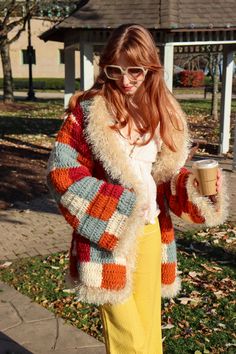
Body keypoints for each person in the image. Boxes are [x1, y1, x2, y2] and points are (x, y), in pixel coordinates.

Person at [47, 24, 228, 354]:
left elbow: (165, 179)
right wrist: (121, 207)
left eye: (135, 71)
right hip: (107, 239)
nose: (125, 80)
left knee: (147, 331)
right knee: (126, 338)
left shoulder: (163, 112)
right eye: (115, 70)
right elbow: (62, 172)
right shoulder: (87, 111)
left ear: (151, 68)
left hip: (151, 233)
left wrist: (202, 191)